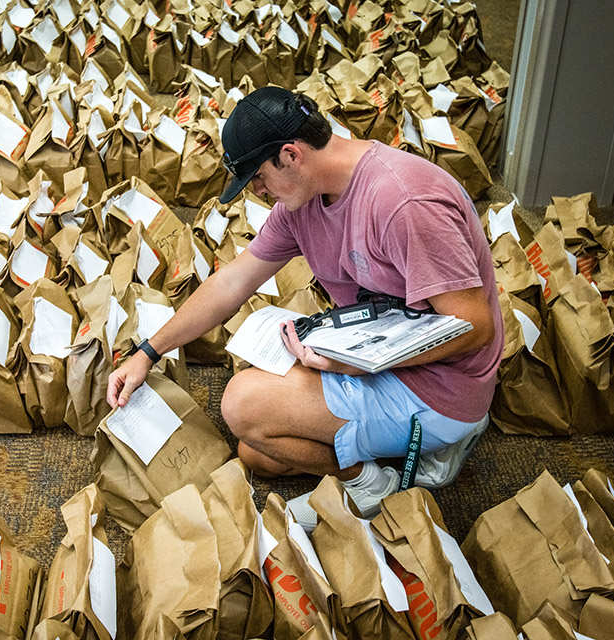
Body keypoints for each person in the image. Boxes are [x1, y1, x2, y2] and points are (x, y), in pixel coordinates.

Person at [106, 86, 503, 529]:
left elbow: (475, 327)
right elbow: (232, 282)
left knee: (241, 405)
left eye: (258, 177)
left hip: (444, 386)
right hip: (384, 351)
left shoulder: (404, 202)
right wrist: (147, 352)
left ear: (290, 155)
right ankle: (398, 452)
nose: (257, 191)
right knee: (256, 452)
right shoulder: (305, 200)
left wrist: (359, 363)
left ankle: (376, 482)